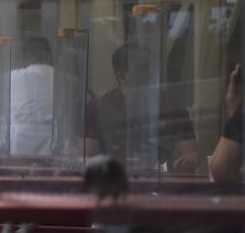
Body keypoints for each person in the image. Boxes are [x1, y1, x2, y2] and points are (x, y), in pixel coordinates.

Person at [84, 43, 201, 172]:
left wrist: (185, 162)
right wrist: (106, 170)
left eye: (150, 66)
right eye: (142, 68)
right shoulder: (98, 107)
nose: (150, 73)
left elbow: (192, 154)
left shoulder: (171, 105)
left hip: (161, 185)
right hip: (113, 185)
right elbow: (84, 155)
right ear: (122, 77)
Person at [0, 35, 54, 156]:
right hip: (53, 149)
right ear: (51, 57)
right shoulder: (66, 80)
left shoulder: (8, 79)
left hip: (15, 149)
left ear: (25, 60)